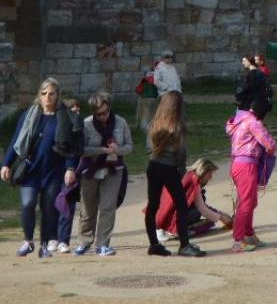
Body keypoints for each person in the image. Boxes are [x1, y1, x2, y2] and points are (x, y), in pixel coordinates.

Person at [3, 77, 82, 257]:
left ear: (57, 96)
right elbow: (16, 139)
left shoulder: (65, 117)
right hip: (30, 170)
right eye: (44, 93)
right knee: (27, 203)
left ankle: (44, 245)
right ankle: (28, 241)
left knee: (48, 209)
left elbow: (70, 147)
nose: (47, 97)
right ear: (39, 95)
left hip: (53, 172)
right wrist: (6, 163)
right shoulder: (28, 115)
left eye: (51, 94)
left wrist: (70, 169)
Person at [141, 91, 205, 257]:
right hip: (169, 168)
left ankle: (154, 244)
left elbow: (148, 148)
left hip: (153, 166)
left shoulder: (153, 124)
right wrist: (182, 171)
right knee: (181, 205)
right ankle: (184, 245)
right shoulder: (177, 126)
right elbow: (181, 153)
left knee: (153, 205)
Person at [74, 91, 131, 256]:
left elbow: (130, 145)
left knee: (108, 207)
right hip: (90, 169)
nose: (103, 116)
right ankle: (84, 242)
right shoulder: (86, 124)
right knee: (88, 207)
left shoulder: (121, 122)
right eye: (99, 114)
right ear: (93, 112)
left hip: (114, 169)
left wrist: (117, 150)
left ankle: (103, 244)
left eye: (106, 112)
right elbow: (81, 149)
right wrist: (101, 150)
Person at [226, 99, 277, 252]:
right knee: (246, 203)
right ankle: (238, 240)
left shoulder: (240, 119)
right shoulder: (254, 122)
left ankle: (248, 234)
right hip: (247, 166)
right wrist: (273, 145)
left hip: (238, 164)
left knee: (250, 201)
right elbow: (269, 144)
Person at [151, 158, 232, 247]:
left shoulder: (187, 175)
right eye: (210, 174)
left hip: (158, 212)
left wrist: (219, 214)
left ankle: (168, 229)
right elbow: (202, 209)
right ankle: (174, 229)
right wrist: (221, 217)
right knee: (198, 214)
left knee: (202, 216)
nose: (210, 177)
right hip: (164, 216)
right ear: (204, 172)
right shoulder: (193, 180)